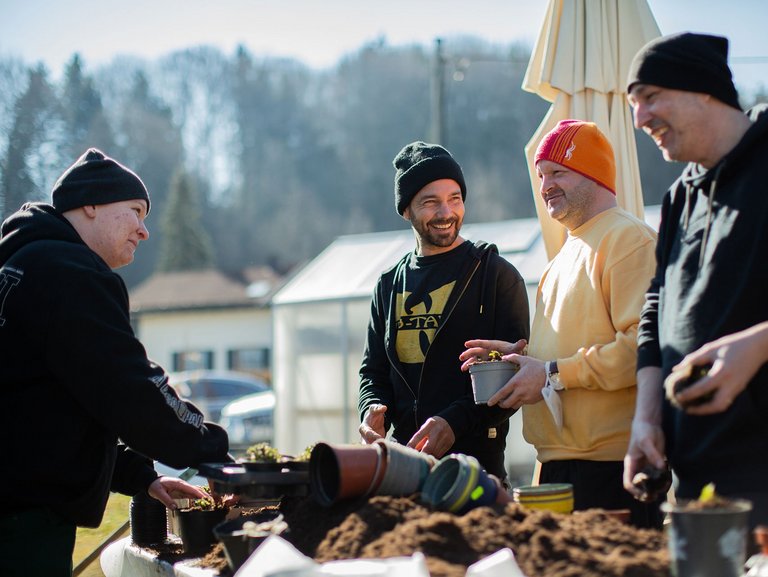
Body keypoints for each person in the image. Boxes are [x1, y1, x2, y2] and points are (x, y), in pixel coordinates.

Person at [0, 149, 232, 576]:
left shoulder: (22, 264)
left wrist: (141, 476)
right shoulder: (72, 273)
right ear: (90, 205)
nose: (144, 231)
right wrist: (213, 450)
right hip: (23, 521)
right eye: (135, 211)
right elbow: (130, 387)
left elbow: (58, 404)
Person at [461, 120, 662, 528]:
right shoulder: (560, 260)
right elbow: (566, 352)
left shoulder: (628, 240)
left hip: (613, 466)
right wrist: (517, 359)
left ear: (594, 173)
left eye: (558, 172)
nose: (546, 184)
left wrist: (551, 372)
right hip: (556, 466)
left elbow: (641, 350)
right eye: (541, 175)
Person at [623, 32, 768, 536]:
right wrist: (646, 419)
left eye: (649, 96)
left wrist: (759, 344)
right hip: (692, 479)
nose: (639, 118)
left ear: (703, 88)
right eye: (634, 103)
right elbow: (655, 307)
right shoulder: (679, 196)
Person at [358, 141, 530, 481]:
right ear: (406, 210)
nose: (446, 212)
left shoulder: (495, 276)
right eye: (430, 202)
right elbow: (373, 371)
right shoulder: (389, 283)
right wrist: (370, 409)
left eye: (454, 198)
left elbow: (514, 375)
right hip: (403, 466)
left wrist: (454, 422)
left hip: (477, 471)